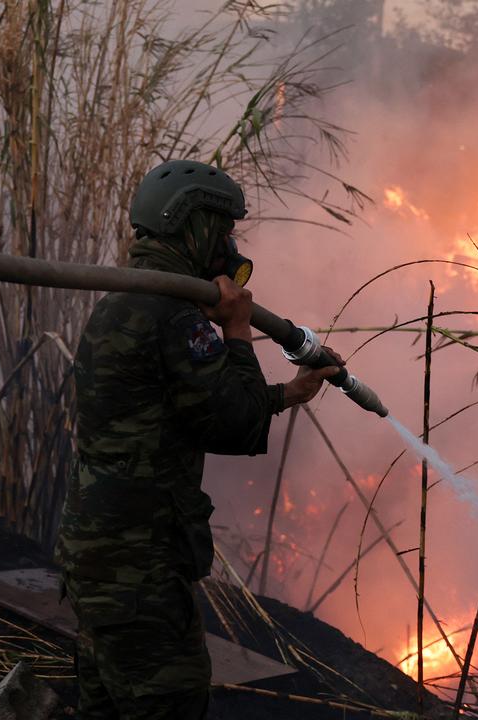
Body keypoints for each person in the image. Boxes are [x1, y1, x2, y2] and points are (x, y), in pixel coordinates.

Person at [54, 159, 342, 719]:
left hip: (102, 560)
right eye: (224, 230)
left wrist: (290, 392)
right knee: (171, 704)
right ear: (192, 224)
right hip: (142, 571)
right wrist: (236, 327)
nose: (229, 246)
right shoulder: (171, 316)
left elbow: (187, 409)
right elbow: (232, 423)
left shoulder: (122, 304)